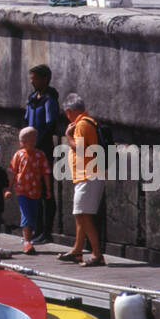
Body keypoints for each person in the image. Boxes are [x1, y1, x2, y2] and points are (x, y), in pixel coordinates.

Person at [59, 93, 105, 267]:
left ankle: (97, 254)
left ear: (69, 111)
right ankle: (77, 251)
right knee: (81, 214)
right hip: (87, 175)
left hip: (88, 175)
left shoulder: (82, 125)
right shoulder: (88, 122)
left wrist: (68, 135)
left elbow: (81, 149)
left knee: (82, 214)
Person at [23, 64, 65, 243]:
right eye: (31, 78)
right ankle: (36, 228)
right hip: (31, 149)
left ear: (45, 79)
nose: (32, 81)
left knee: (45, 190)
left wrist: (36, 145)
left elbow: (50, 126)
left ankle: (46, 231)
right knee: (33, 189)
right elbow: (26, 120)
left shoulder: (49, 99)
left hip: (43, 150)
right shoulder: (32, 98)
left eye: (35, 78)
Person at [9, 126, 52, 255]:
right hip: (21, 190)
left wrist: (48, 189)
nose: (22, 143)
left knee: (33, 215)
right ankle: (27, 242)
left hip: (35, 191)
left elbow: (46, 173)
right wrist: (8, 187)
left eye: (32, 139)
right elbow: (13, 172)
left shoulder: (40, 155)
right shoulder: (19, 155)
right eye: (24, 140)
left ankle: (28, 237)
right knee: (26, 214)